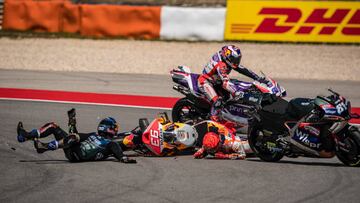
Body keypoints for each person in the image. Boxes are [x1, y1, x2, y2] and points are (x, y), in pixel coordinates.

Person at [16, 110, 136, 163]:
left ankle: (46, 146)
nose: (116, 130)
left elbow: (117, 145)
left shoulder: (111, 142)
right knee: (53, 126)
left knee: (75, 138)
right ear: (106, 128)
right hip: (72, 149)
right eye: (114, 128)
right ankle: (26, 136)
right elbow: (74, 136)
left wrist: (122, 157)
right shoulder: (93, 135)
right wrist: (72, 122)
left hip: (79, 156)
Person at [198, 45, 267, 121]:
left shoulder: (226, 58)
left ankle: (226, 116)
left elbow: (242, 69)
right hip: (205, 82)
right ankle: (212, 119)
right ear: (228, 57)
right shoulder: (221, 65)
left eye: (237, 59)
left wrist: (257, 77)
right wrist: (236, 92)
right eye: (234, 59)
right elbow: (225, 83)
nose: (236, 61)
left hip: (217, 81)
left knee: (227, 98)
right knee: (218, 102)